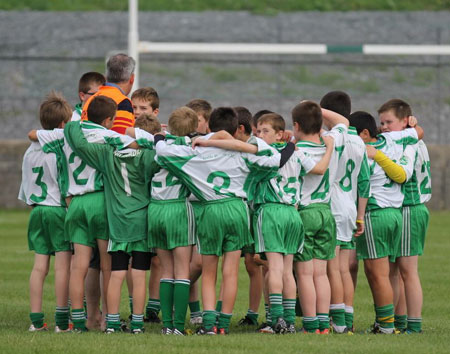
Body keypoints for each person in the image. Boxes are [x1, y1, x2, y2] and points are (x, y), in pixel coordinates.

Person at [156, 107, 294, 334]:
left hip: (210, 209)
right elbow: (275, 159)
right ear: (236, 128)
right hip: (237, 208)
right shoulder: (245, 151)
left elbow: (162, 154)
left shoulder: (196, 149)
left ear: (209, 125)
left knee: (209, 271)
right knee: (230, 270)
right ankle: (223, 325)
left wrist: (160, 138)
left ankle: (208, 324)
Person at [29, 96, 135, 332]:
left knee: (79, 265)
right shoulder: (107, 135)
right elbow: (135, 146)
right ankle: (108, 319)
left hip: (74, 203)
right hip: (99, 200)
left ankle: (78, 320)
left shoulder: (67, 133)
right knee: (107, 265)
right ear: (108, 120)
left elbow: (35, 134)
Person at [64, 97, 160, 334]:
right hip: (139, 220)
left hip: (114, 219)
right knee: (138, 274)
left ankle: (106, 323)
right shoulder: (148, 155)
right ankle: (137, 323)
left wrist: (79, 114)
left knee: (110, 271)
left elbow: (77, 139)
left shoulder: (108, 154)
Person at [254, 112, 334, 334]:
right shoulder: (296, 152)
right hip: (293, 213)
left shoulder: (261, 153)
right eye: (258, 130)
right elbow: (319, 170)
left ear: (279, 133)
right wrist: (329, 149)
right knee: (288, 270)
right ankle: (289, 322)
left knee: (276, 268)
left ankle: (276, 319)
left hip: (271, 211)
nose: (260, 135)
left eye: (265, 130)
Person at [348, 110, 422, 334]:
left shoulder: (366, 153)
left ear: (364, 134)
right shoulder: (390, 144)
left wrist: (359, 216)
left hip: (376, 213)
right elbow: (417, 133)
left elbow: (363, 187)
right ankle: (388, 322)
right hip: (395, 214)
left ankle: (386, 325)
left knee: (377, 273)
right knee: (387, 273)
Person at [133, 107, 198, 335]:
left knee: (166, 271)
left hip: (155, 210)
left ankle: (167, 325)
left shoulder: (155, 143)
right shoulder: (190, 149)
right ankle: (178, 326)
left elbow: (137, 134)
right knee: (181, 270)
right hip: (178, 208)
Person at [292, 101, 349, 334]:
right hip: (326, 211)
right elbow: (343, 122)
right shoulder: (332, 141)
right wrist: (316, 108)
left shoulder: (297, 151)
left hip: (306, 212)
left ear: (296, 125)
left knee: (305, 273)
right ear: (319, 123)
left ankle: (310, 324)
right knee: (321, 272)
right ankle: (324, 324)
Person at [19, 91, 72, 332]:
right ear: (62, 125)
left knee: (39, 267)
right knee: (63, 267)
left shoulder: (30, 150)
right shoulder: (59, 147)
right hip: (56, 209)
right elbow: (63, 181)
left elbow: (26, 186)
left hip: (37, 210)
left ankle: (36, 321)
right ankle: (62, 322)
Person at [377, 99, 431, 334]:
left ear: (406, 121)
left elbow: (401, 175)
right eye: (381, 123)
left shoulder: (410, 143)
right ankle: (397, 322)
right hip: (401, 210)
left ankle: (414, 324)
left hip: (410, 208)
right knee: (394, 271)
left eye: (389, 122)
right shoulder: (409, 139)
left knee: (408, 270)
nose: (384, 127)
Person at [320, 91, 370, 333]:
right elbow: (364, 182)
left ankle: (337, 321)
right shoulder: (359, 141)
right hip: (350, 209)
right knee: (344, 268)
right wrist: (360, 216)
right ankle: (347, 320)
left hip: (333, 206)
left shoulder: (331, 137)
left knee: (333, 268)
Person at [81, 53, 136, 134]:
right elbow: (122, 140)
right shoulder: (123, 102)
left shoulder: (92, 99)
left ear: (106, 77)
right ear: (132, 79)